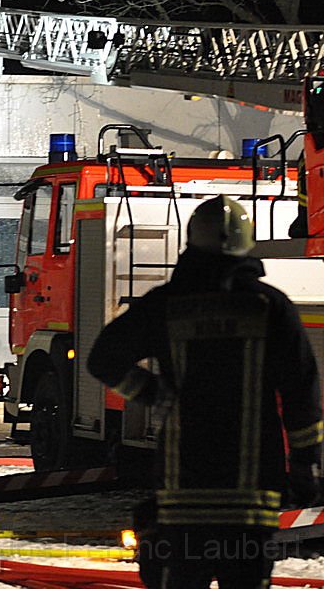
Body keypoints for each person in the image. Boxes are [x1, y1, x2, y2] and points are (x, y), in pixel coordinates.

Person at [87, 196, 322, 589]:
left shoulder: (166, 304)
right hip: (252, 496)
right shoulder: (271, 307)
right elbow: (302, 393)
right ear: (246, 244)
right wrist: (304, 467)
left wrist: (152, 392)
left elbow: (103, 359)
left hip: (184, 496)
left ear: (192, 242)